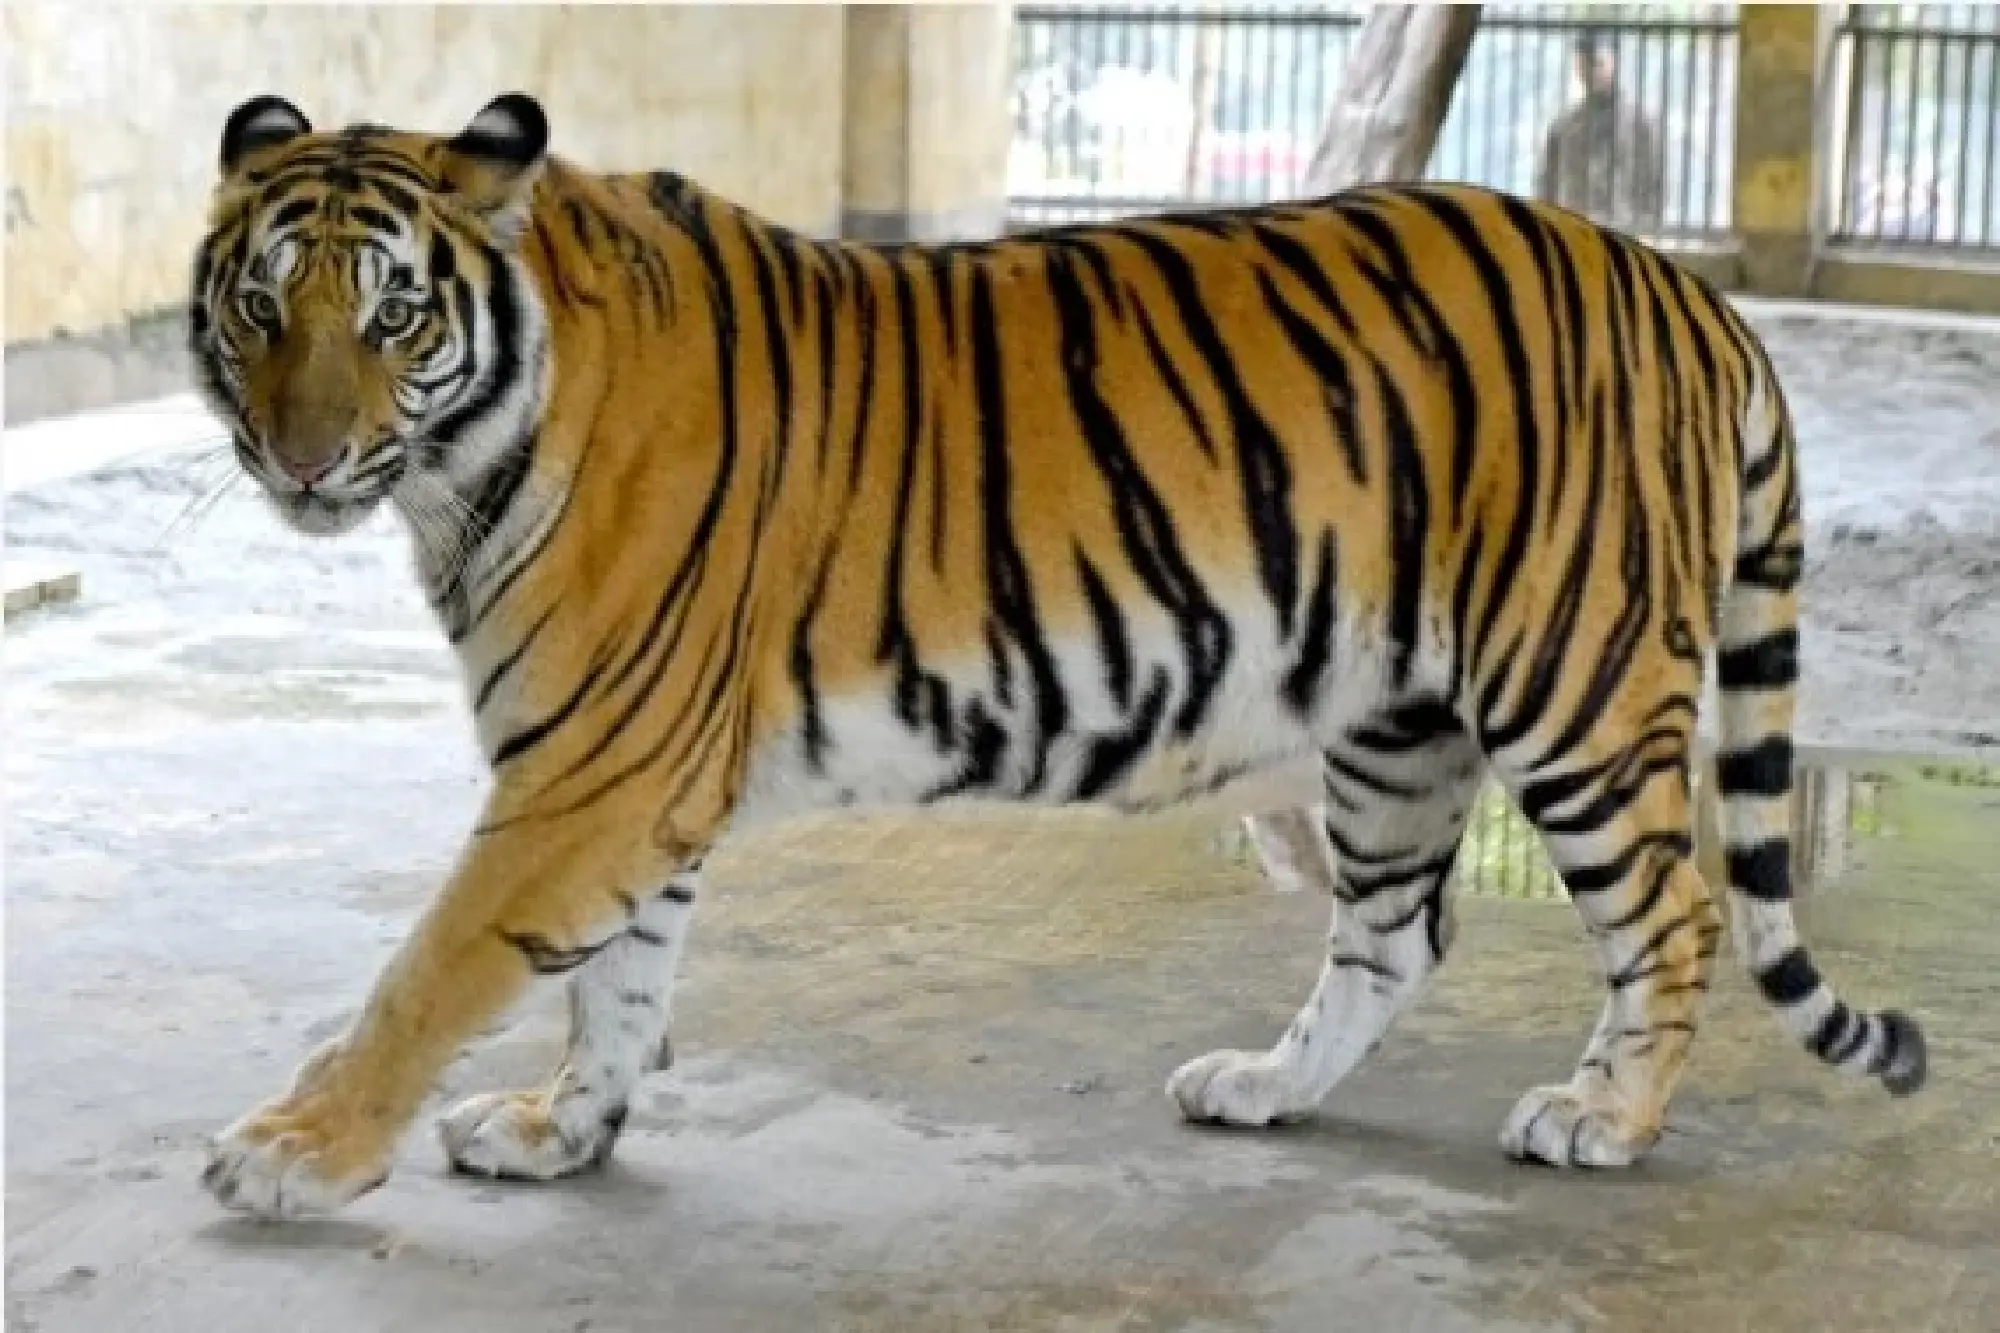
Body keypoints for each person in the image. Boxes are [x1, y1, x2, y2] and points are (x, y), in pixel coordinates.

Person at [1533, 31, 1666, 233]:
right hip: (1573, 231)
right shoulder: (1564, 125)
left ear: (1614, 62)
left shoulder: (1641, 124)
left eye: (1596, 63)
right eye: (1583, 64)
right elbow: (1545, 184)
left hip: (1624, 232)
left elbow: (1656, 184)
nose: (1589, 72)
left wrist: (1646, 226)